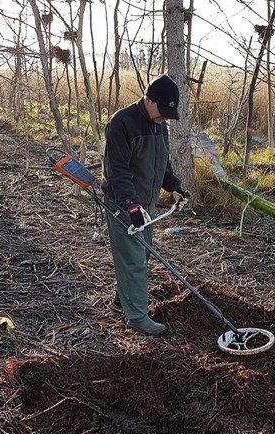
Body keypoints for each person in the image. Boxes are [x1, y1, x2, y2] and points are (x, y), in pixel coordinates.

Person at [101, 75, 190, 336]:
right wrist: (130, 205)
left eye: (168, 113)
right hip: (123, 203)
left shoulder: (159, 124)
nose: (164, 117)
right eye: (161, 111)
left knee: (142, 254)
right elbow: (116, 170)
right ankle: (138, 316)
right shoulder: (122, 123)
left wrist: (173, 185)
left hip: (145, 203)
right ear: (147, 99)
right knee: (134, 261)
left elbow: (162, 160)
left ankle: (124, 298)